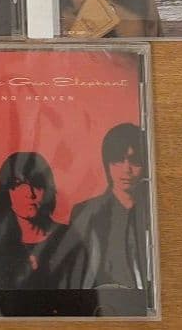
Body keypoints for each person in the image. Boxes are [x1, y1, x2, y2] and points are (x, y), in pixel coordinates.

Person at [56, 124, 149, 291]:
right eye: (118, 160)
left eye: (134, 161)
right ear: (107, 164)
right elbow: (75, 273)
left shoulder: (154, 212)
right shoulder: (85, 212)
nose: (126, 169)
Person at [0, 153, 69, 309]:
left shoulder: (69, 238)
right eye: (20, 185)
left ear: (47, 189)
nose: (30, 194)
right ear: (6, 191)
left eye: (36, 184)